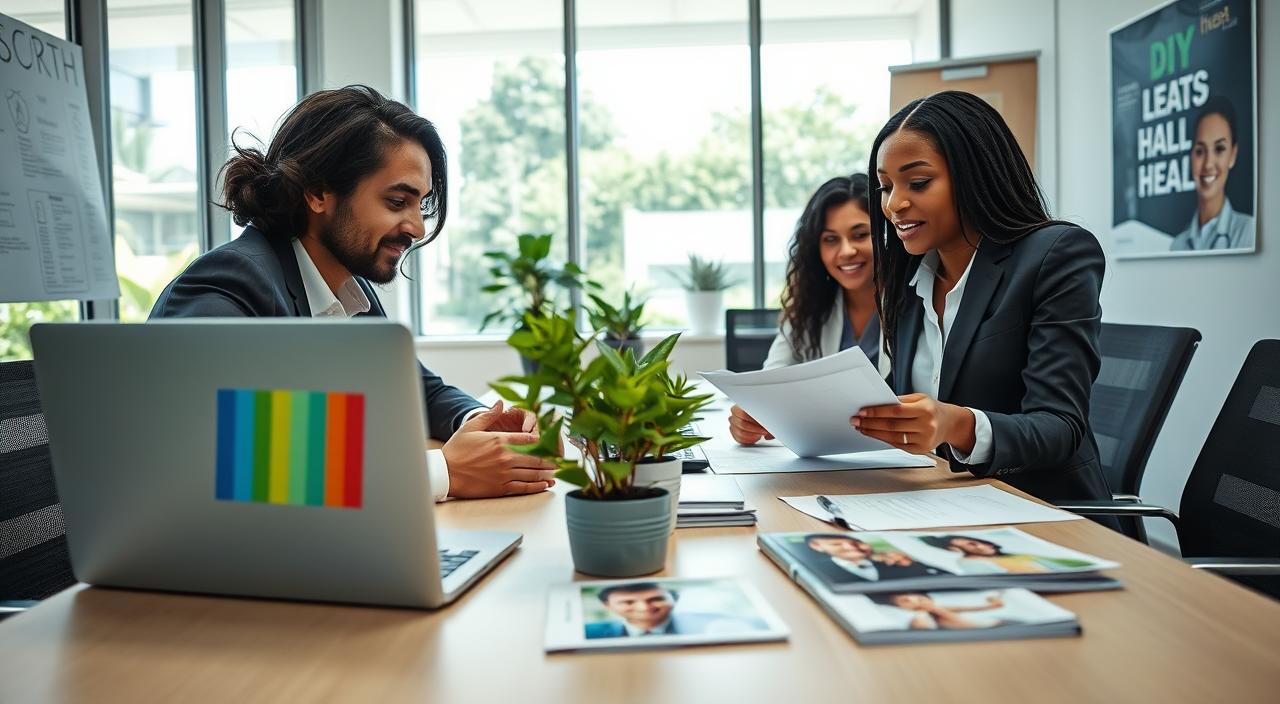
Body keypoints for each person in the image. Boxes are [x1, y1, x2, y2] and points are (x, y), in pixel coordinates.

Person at [149, 85, 557, 501]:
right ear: (317, 192)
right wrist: (444, 472)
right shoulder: (230, 283)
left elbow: (418, 390)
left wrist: (487, 423)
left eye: (421, 205)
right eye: (398, 201)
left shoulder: (349, 286)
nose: (416, 227)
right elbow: (219, 454)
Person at [851, 90, 1114, 504]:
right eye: (885, 187)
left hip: (1040, 509)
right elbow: (899, 403)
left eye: (918, 183)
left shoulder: (1056, 255)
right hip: (937, 501)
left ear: (974, 174)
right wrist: (796, 417)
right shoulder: (909, 277)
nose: (895, 204)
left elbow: (1060, 427)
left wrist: (953, 424)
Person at [728, 174, 886, 446]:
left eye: (860, 235)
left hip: (902, 461)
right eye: (830, 239)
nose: (846, 251)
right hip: (825, 461)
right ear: (817, 248)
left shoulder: (917, 303)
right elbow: (770, 382)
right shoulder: (807, 307)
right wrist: (749, 417)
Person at [1171, 95, 1255, 251]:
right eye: (1200, 151)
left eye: (1219, 149)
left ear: (1233, 155)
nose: (1208, 164)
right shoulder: (1177, 245)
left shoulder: (1249, 232)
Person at [584, 583, 768, 639]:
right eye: (628, 602)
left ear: (675, 599)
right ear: (608, 606)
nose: (644, 608)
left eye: (656, 598)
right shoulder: (590, 632)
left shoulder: (716, 625)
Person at [918, 535, 1093, 575]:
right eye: (971, 544)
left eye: (975, 541)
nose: (981, 545)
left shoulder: (1015, 557)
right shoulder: (972, 564)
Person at [803, 534, 943, 582]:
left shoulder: (897, 562)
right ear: (816, 546)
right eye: (836, 544)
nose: (850, 547)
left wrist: (913, 563)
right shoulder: (813, 569)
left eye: (856, 543)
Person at [867, 591, 1009, 630]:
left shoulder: (936, 610)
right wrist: (931, 609)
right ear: (899, 607)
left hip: (1001, 623)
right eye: (906, 601)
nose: (915, 601)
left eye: (918, 597)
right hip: (995, 627)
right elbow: (970, 626)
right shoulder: (920, 618)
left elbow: (967, 609)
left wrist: (992, 604)